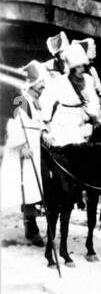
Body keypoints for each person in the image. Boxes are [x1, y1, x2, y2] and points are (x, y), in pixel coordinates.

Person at [6, 60, 45, 245]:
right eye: (39, 84)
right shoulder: (19, 100)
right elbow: (12, 124)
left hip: (37, 147)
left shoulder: (35, 103)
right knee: (28, 188)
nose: (42, 87)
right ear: (31, 84)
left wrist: (45, 131)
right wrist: (22, 146)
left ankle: (35, 220)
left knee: (37, 187)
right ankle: (31, 227)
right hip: (26, 149)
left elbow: (40, 123)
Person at [40, 41, 101, 149]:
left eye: (83, 66)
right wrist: (45, 127)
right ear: (71, 68)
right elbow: (46, 102)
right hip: (63, 123)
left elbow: (94, 102)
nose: (82, 69)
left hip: (81, 121)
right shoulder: (59, 82)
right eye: (78, 67)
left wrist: (96, 116)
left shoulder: (88, 79)